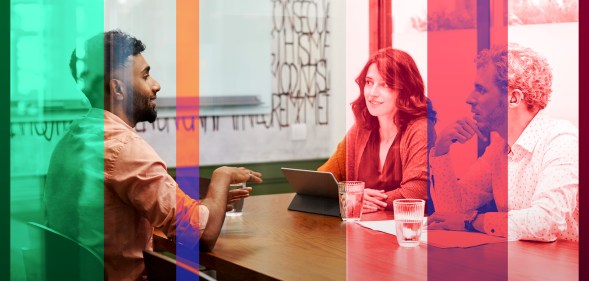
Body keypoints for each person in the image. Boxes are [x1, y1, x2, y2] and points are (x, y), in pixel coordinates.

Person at [44, 30, 263, 281]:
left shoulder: (71, 140)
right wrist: (221, 177)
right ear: (117, 89)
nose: (156, 85)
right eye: (145, 76)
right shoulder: (124, 149)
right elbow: (201, 236)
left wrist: (210, 205)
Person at [428, 43, 578, 242]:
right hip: (523, 263)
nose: (469, 99)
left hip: (562, 265)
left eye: (481, 90)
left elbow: (546, 221)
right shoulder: (499, 147)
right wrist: (441, 150)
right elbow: (452, 211)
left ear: (513, 98)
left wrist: (471, 221)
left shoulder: (560, 140)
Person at [319, 48, 436, 213]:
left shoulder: (420, 129)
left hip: (406, 232)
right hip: (363, 231)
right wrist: (350, 196)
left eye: (385, 84)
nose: (372, 93)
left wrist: (356, 199)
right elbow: (323, 180)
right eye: (369, 82)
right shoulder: (362, 128)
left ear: (405, 90)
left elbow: (415, 192)